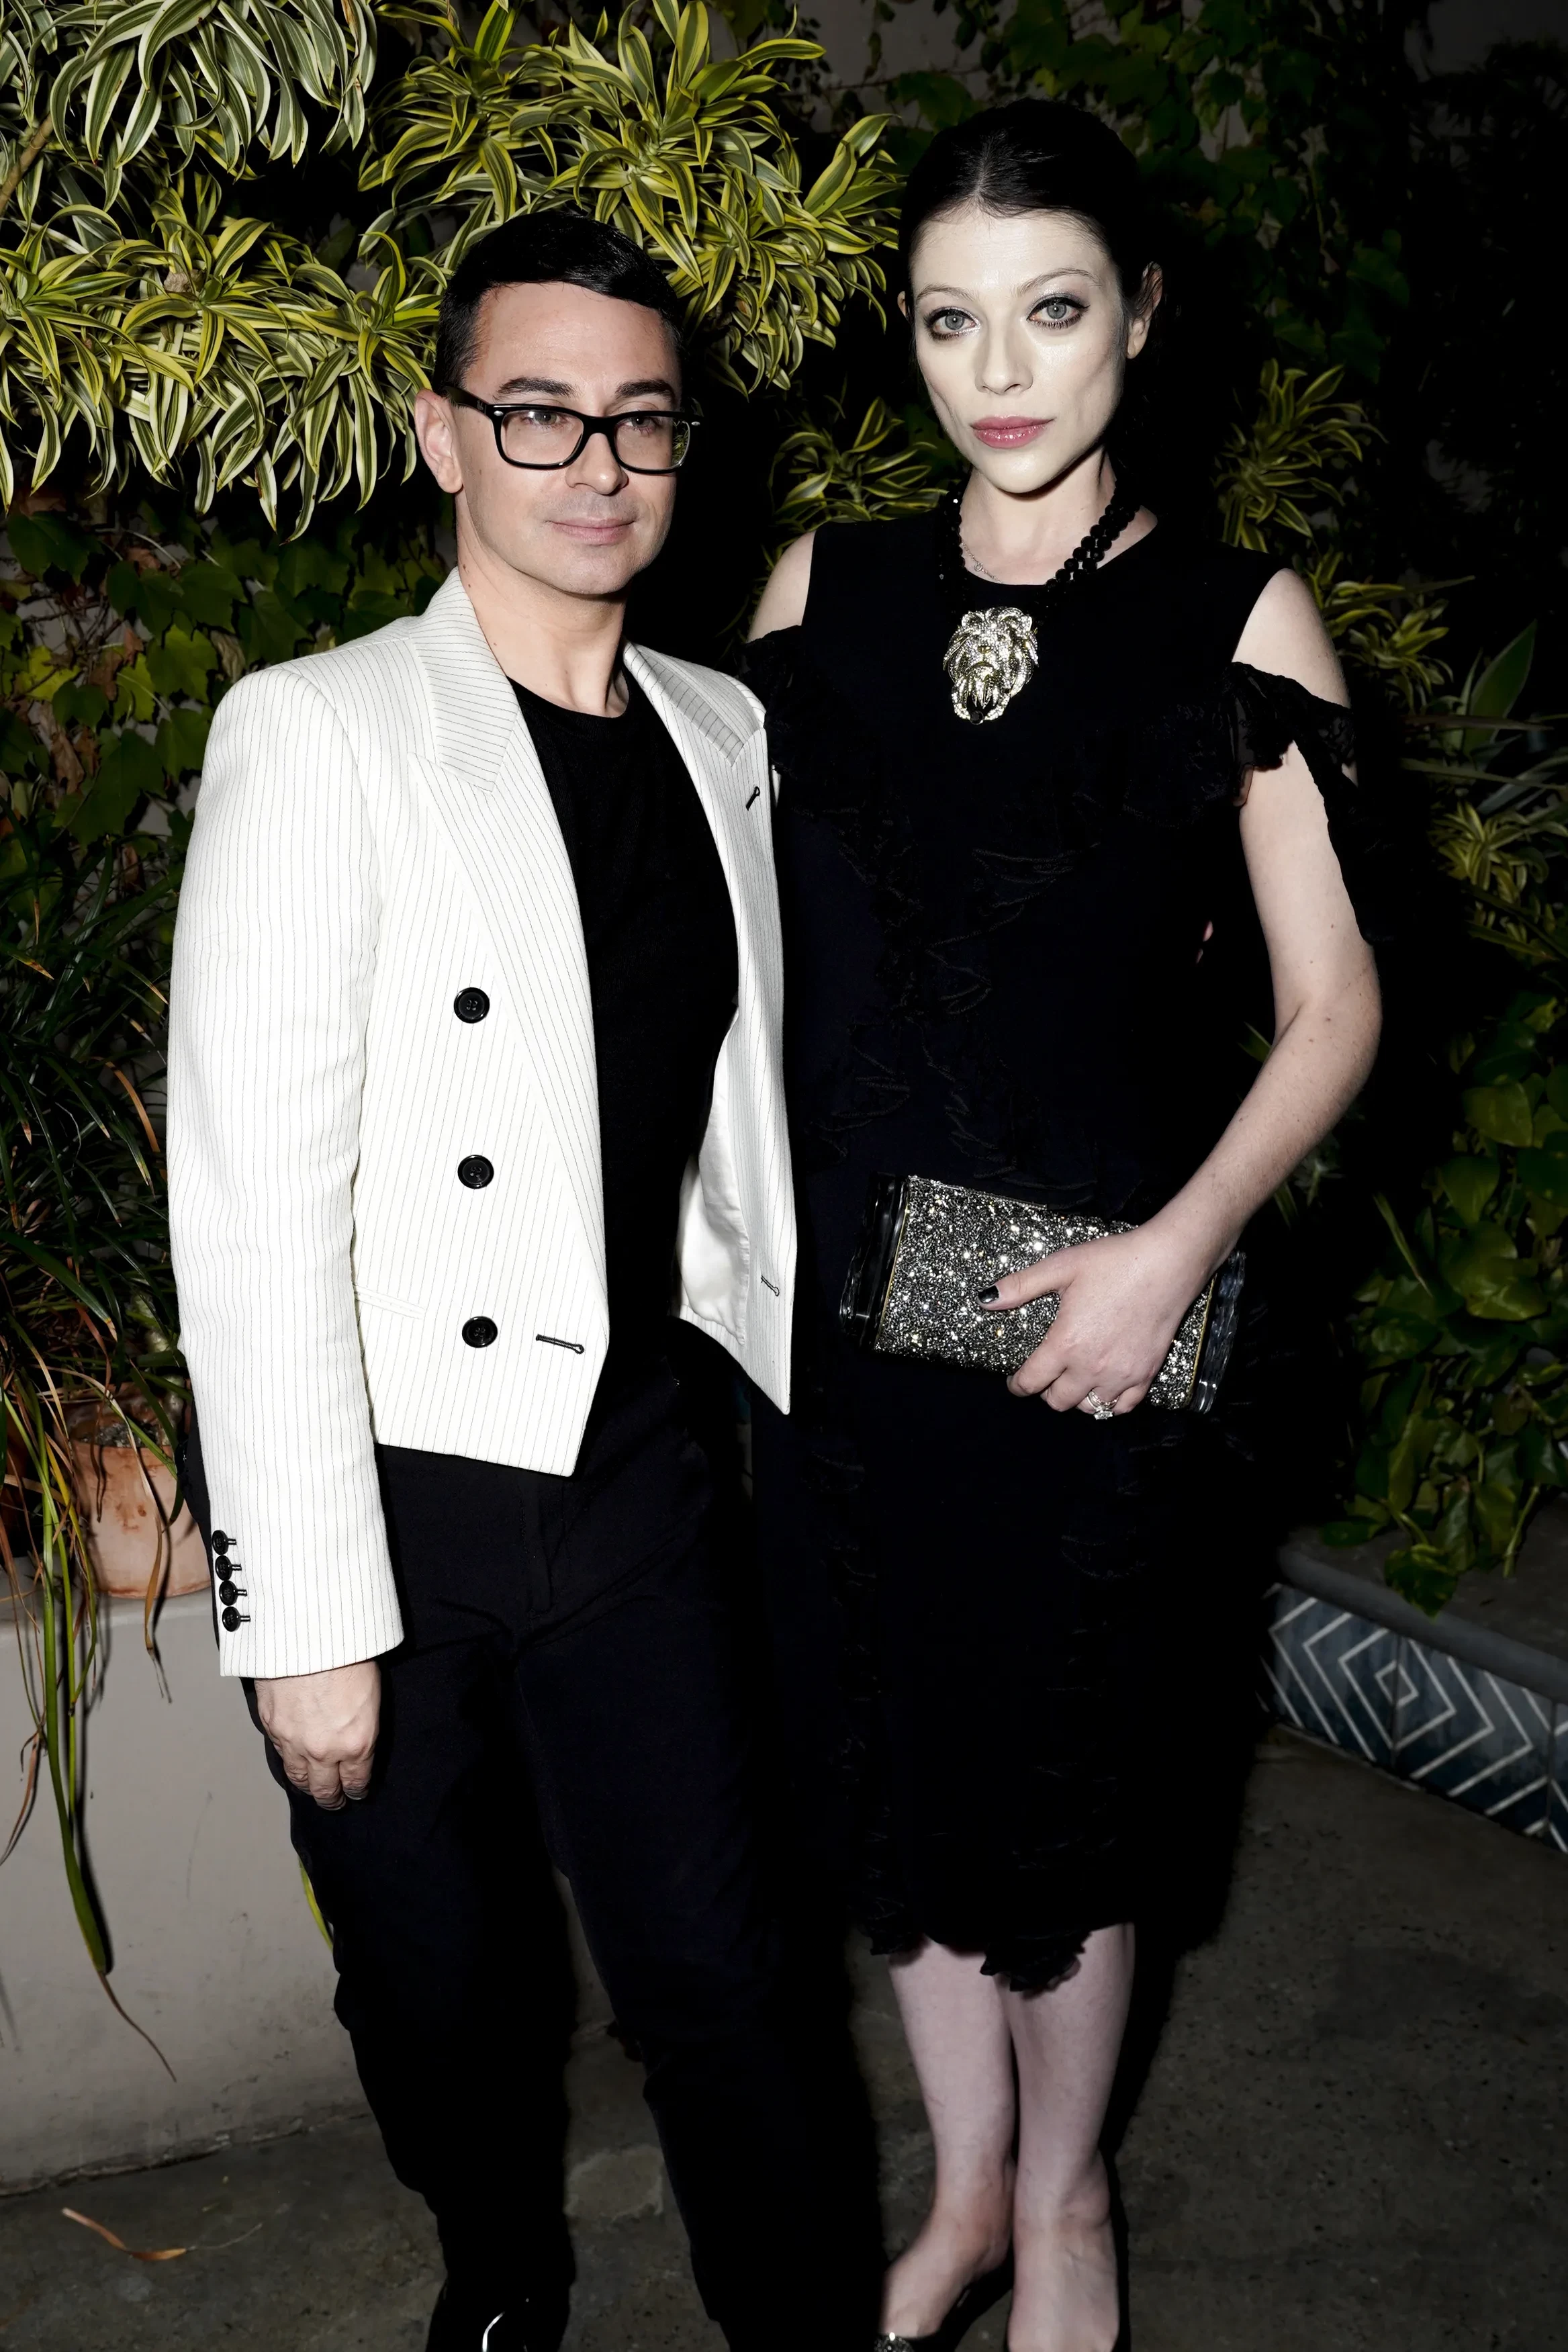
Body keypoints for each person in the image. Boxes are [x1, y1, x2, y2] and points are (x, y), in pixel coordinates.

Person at [168, 207, 871, 2352]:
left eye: (638, 420)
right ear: (442, 432)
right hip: (395, 1484)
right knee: (440, 1987)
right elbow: (251, 1198)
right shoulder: (321, 731)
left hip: (639, 1461)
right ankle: (500, 2272)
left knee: (729, 1977)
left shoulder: (721, 733)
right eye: (538, 412)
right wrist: (308, 1612)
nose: (594, 462)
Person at [746, 101, 1384, 2352]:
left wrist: (1175, 1253)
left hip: (1094, 1323)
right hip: (847, 1312)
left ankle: (1069, 2204)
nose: (997, 370)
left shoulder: (1234, 617)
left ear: (1137, 317)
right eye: (947, 321)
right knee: (896, 1766)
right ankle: (964, 2190)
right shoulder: (821, 591)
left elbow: (1333, 1003)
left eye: (1048, 310)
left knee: (1069, 1794)